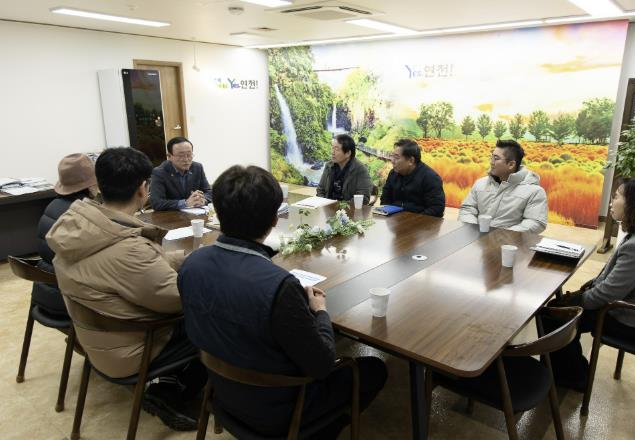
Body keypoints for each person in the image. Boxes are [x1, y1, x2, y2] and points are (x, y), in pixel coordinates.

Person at [179, 165, 387, 438]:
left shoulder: (191, 264)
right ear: (275, 219)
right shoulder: (278, 286)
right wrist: (320, 312)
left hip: (222, 393)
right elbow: (323, 364)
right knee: (373, 369)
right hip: (280, 411)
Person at [46, 147, 206, 431]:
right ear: (143, 189)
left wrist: (183, 259)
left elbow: (136, 269)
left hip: (93, 338)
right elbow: (179, 300)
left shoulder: (79, 226)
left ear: (99, 186)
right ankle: (172, 391)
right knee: (214, 316)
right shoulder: (129, 250)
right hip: (132, 349)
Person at [546, 178, 635, 391]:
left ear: (634, 203)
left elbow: (606, 295)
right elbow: (610, 282)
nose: (611, 202)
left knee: (554, 317)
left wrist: (576, 300)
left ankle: (574, 376)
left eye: (616, 197)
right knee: (560, 309)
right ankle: (570, 369)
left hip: (632, 321)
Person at [32, 153, 98, 318]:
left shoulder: (53, 206)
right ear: (90, 185)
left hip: (44, 293)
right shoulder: (79, 214)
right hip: (68, 300)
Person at [458, 139, 548, 233]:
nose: (491, 162)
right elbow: (467, 209)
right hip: (477, 240)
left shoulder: (534, 192)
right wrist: (474, 229)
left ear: (511, 164)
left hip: (510, 242)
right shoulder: (480, 183)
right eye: (491, 157)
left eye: (496, 159)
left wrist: (502, 236)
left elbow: (535, 222)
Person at [380, 138, 445, 217]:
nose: (392, 160)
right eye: (392, 156)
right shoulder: (393, 174)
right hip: (394, 219)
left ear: (411, 160)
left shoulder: (430, 178)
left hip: (419, 221)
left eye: (396, 157)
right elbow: (385, 199)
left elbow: (437, 209)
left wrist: (413, 220)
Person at [149, 136, 212, 211]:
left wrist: (202, 200)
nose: (186, 159)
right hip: (171, 216)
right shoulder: (159, 172)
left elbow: (209, 192)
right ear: (169, 156)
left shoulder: (197, 167)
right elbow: (156, 203)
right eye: (181, 156)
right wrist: (185, 203)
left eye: (189, 155)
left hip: (195, 214)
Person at [316, 134, 372, 204]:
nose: (332, 152)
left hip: (348, 209)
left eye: (336, 149)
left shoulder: (360, 169)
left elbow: (364, 198)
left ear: (348, 153)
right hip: (327, 206)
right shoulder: (329, 166)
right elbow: (320, 189)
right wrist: (324, 204)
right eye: (332, 148)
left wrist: (342, 207)